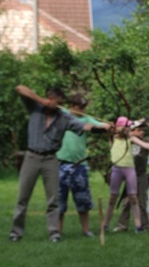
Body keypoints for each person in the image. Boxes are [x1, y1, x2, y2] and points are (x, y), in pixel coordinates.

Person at [9, 85, 110, 242]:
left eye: (61, 103)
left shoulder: (65, 117)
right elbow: (20, 88)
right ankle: (16, 233)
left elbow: (86, 126)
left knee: (53, 199)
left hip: (51, 159)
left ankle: (54, 233)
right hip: (31, 157)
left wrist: (105, 128)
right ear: (49, 99)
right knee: (23, 197)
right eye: (57, 102)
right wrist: (41, 100)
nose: (59, 106)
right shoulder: (35, 108)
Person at [57, 93, 111, 238]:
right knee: (59, 201)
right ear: (72, 106)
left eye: (84, 107)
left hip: (79, 165)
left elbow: (99, 125)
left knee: (83, 200)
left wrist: (108, 126)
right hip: (60, 163)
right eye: (80, 107)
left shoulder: (86, 119)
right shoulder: (63, 115)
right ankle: (57, 232)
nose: (83, 110)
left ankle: (86, 230)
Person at [102, 117, 149, 234]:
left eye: (129, 127)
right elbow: (105, 128)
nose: (128, 129)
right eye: (127, 127)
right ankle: (106, 225)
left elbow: (145, 144)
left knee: (134, 198)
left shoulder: (130, 138)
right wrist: (114, 127)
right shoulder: (113, 137)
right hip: (117, 169)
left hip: (130, 170)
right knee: (113, 198)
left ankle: (139, 226)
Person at [113, 120, 149, 232]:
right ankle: (122, 225)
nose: (142, 132)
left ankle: (144, 224)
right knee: (126, 201)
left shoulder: (144, 141)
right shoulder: (127, 140)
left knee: (141, 201)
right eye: (139, 130)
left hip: (141, 175)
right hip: (130, 174)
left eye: (142, 130)